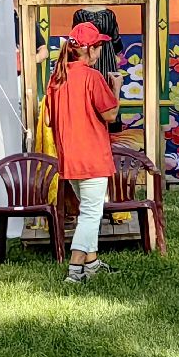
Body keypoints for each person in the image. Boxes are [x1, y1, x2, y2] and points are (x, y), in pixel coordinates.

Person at [47, 21, 122, 284]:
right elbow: (110, 114)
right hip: (92, 156)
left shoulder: (57, 78)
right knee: (91, 215)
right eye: (99, 46)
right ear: (89, 49)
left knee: (88, 211)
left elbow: (47, 120)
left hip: (70, 157)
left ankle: (92, 264)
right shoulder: (92, 77)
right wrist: (117, 88)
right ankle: (75, 270)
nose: (101, 51)